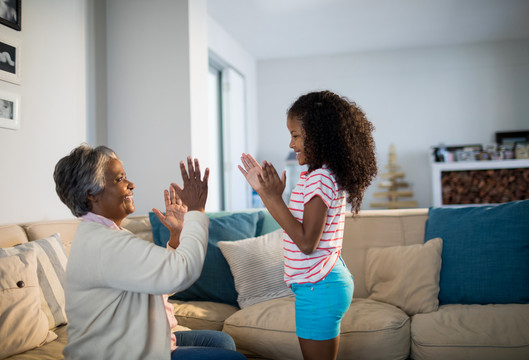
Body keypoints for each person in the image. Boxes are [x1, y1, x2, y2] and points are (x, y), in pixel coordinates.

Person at [54, 144, 246, 360]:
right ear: (92, 194)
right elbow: (181, 273)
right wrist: (196, 211)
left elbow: (157, 282)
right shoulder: (105, 243)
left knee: (222, 342)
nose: (131, 184)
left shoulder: (105, 234)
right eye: (119, 179)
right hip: (119, 353)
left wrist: (176, 236)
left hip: (132, 340)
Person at [238, 90, 377, 360]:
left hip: (320, 287)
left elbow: (306, 242)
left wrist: (272, 197)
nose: (291, 144)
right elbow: (298, 229)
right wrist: (269, 196)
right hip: (321, 284)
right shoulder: (320, 175)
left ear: (319, 135)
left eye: (296, 135)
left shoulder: (319, 178)